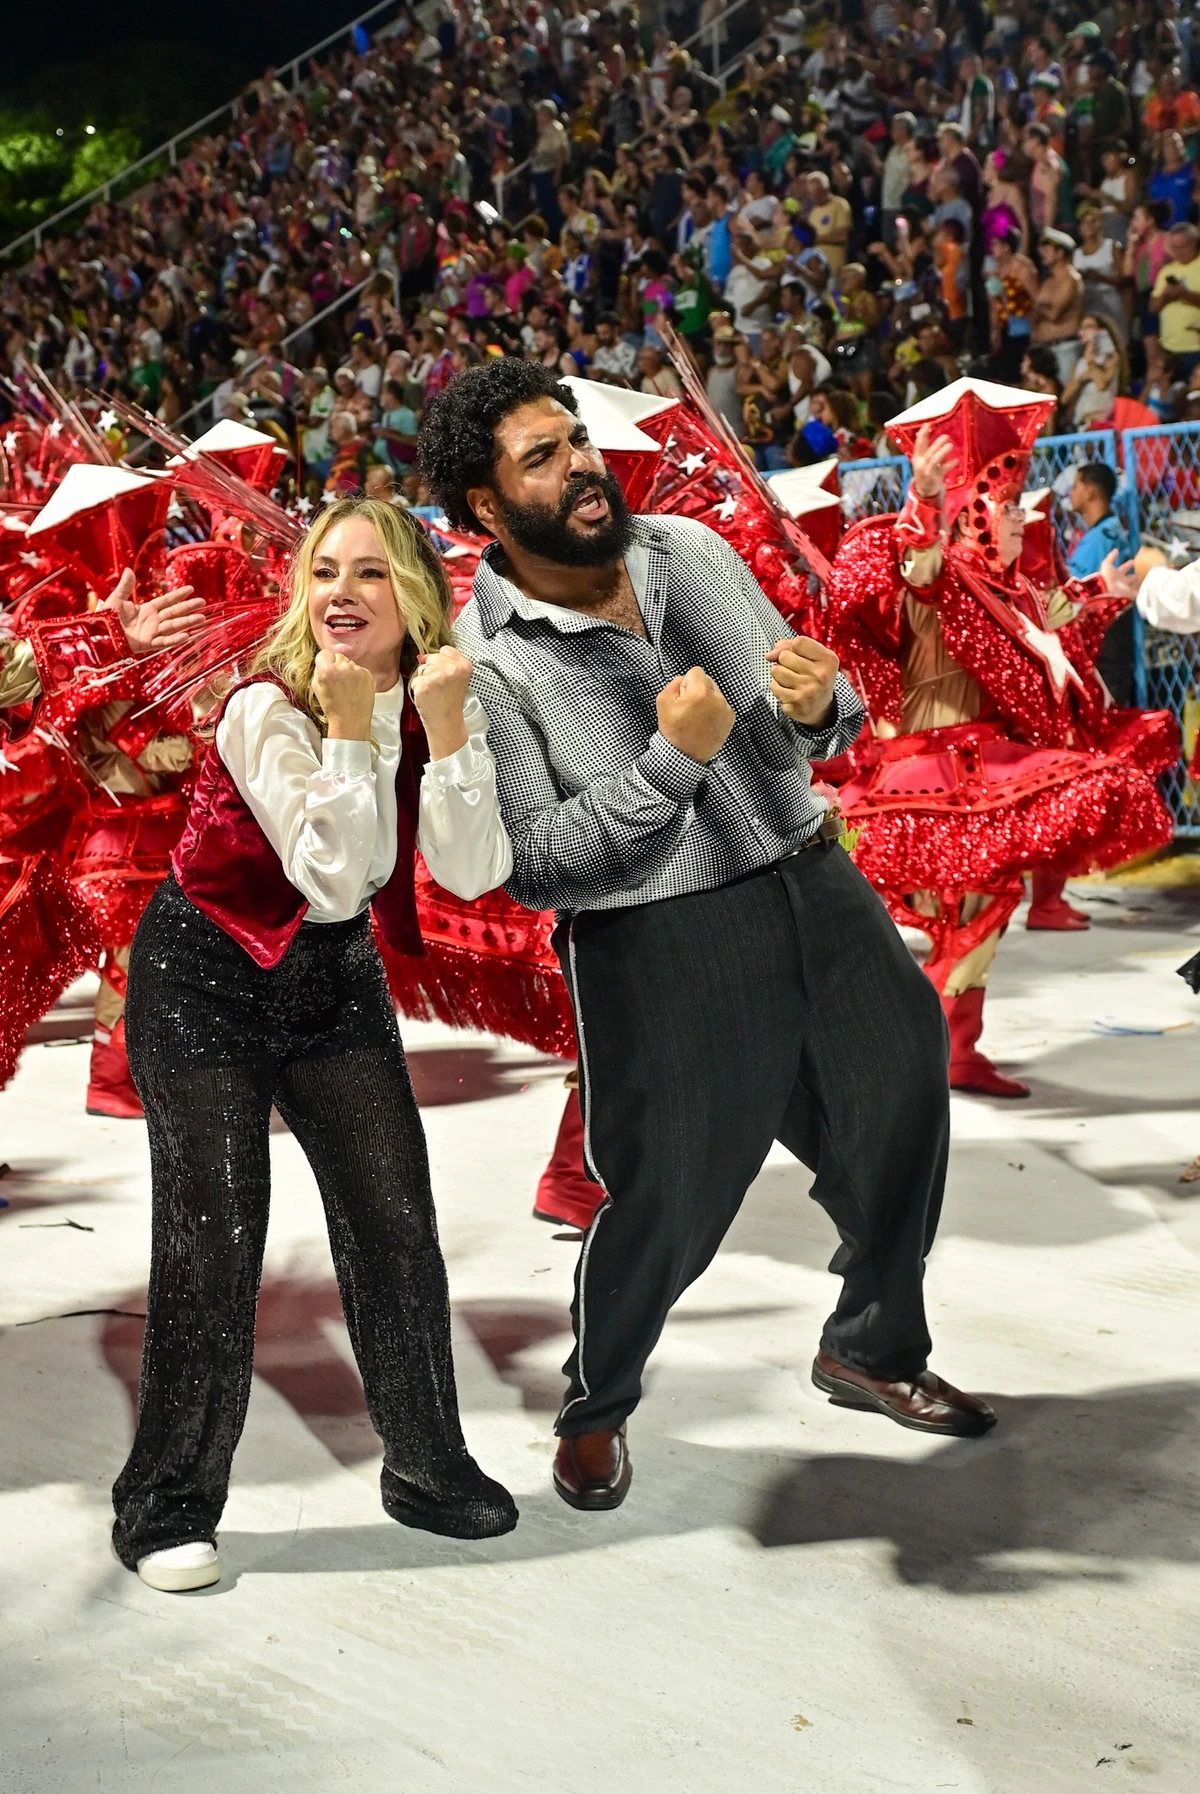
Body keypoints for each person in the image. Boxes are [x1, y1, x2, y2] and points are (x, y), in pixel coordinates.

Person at [419, 357, 1000, 1516]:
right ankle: (597, 1408)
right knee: (671, 1197)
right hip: (658, 941)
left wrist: (823, 698)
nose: (583, 466)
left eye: (575, 439)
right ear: (486, 507)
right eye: (543, 458)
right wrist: (673, 763)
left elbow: (814, 727)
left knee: (902, 1104)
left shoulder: (692, 552)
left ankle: (873, 1347)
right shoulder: (488, 662)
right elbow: (538, 865)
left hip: (812, 876)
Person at [111, 498, 518, 1593]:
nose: (342, 590)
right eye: (324, 568)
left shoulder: (433, 694)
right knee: (219, 1234)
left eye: (373, 573)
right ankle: (164, 1505)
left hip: (332, 982)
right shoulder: (264, 704)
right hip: (204, 978)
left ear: (418, 599)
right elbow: (335, 875)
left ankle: (428, 1467)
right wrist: (349, 728)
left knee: (394, 1217)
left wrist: (456, 730)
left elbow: (472, 869)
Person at [823, 379, 1177, 1082]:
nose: (1022, 521)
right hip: (933, 774)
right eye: (1009, 508)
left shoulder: (1008, 591)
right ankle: (921, 1044)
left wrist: (1101, 592)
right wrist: (922, 498)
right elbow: (915, 568)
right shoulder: (944, 575)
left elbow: (1052, 615)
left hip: (982, 770)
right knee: (970, 912)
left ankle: (949, 1048)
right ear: (974, 513)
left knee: (982, 908)